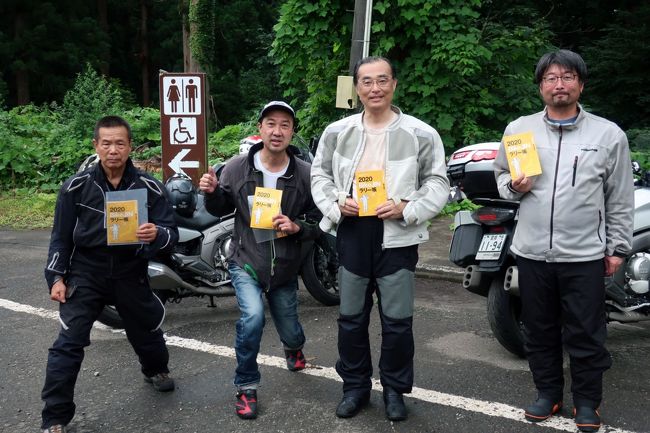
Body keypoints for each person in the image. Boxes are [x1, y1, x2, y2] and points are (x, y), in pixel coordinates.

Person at [493, 49, 633, 432]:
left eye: (567, 77)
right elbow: (502, 181)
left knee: (587, 333)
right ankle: (547, 392)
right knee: (539, 329)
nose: (559, 84)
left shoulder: (608, 135)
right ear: (540, 86)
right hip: (532, 252)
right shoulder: (518, 130)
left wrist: (618, 248)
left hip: (584, 254)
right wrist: (513, 186)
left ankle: (588, 402)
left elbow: (619, 196)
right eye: (551, 78)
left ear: (580, 84)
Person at [310, 56, 449, 421]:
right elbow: (319, 177)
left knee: (398, 320)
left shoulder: (421, 133)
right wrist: (338, 205)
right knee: (351, 318)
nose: (375, 88)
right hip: (353, 233)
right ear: (357, 88)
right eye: (367, 81)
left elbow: (438, 182)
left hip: (398, 237)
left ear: (394, 85)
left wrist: (408, 206)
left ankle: (394, 390)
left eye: (382, 80)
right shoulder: (337, 131)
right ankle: (354, 387)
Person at [41, 116, 179, 433]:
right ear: (96, 146)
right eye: (106, 143)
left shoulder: (149, 187)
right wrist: (56, 278)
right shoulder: (75, 188)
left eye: (119, 143)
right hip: (86, 272)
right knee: (68, 342)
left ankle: (156, 369)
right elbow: (60, 238)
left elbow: (172, 236)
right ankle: (55, 418)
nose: (113, 150)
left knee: (146, 330)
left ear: (130, 147)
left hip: (131, 269)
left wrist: (156, 234)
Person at [199, 101, 320, 419]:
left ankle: (293, 347)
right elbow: (220, 206)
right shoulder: (237, 167)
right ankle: (246, 387)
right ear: (260, 129)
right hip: (247, 261)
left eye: (284, 125)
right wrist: (211, 192)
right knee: (251, 318)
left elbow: (320, 220)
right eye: (271, 123)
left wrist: (297, 226)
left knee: (291, 329)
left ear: (292, 131)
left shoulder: (305, 173)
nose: (277, 131)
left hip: (285, 266)